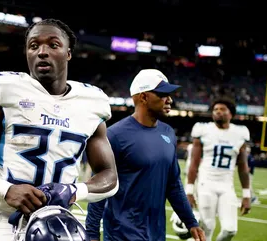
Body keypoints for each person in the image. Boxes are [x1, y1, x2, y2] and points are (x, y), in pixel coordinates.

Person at [0, 18, 119, 241]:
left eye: (53, 45)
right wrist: (6, 189)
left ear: (68, 53)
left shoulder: (91, 102)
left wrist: (75, 191)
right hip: (9, 222)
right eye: (34, 45)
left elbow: (110, 176)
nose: (42, 52)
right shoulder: (6, 90)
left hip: (63, 223)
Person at [86, 69, 205, 241]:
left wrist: (191, 222)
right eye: (163, 94)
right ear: (143, 97)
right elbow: (99, 188)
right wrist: (91, 234)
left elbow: (173, 185)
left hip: (156, 233)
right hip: (122, 234)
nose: (169, 99)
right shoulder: (115, 136)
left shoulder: (168, 133)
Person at [186, 98, 251, 241]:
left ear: (231, 114)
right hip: (206, 183)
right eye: (216, 110)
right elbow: (194, 164)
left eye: (222, 110)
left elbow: (243, 167)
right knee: (207, 227)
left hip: (227, 185)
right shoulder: (203, 130)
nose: (218, 112)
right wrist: (189, 191)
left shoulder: (240, 133)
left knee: (230, 230)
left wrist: (246, 194)